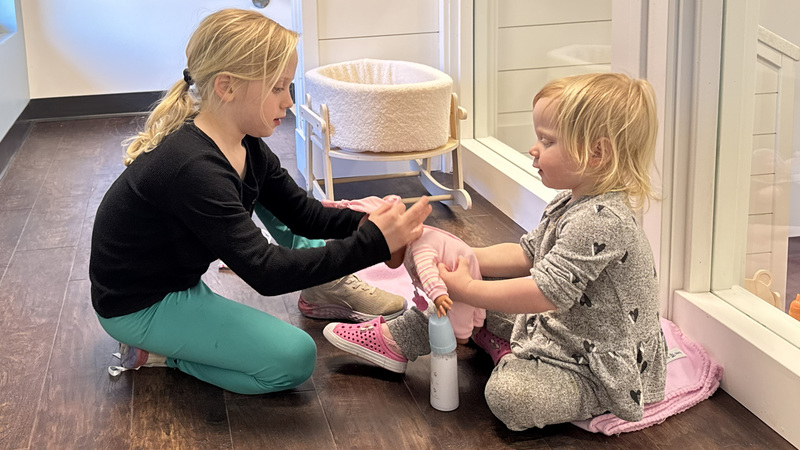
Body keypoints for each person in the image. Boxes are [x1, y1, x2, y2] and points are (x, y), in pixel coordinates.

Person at [89, 9, 431, 395]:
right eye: (277, 88)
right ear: (227, 87)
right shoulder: (193, 167)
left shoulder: (246, 143)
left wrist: (368, 222)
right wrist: (373, 244)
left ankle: (172, 342)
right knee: (294, 359)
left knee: (287, 349)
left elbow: (304, 215)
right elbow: (266, 272)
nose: (288, 101)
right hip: (138, 305)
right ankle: (156, 355)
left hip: (173, 283)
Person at [323, 72, 668, 430]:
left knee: (507, 396)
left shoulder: (601, 221)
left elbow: (543, 292)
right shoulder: (571, 200)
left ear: (596, 153)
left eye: (547, 141)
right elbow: (527, 254)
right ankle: (399, 340)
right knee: (470, 282)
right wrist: (461, 257)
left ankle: (517, 359)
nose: (534, 148)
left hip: (595, 364)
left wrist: (466, 289)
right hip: (561, 328)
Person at [322, 195, 486, 342]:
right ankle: (479, 322)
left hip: (458, 269)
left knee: (461, 306)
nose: (383, 260)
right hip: (465, 258)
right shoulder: (409, 242)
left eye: (385, 253)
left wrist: (438, 295)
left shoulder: (419, 250)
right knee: (476, 303)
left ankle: (462, 335)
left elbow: (428, 272)